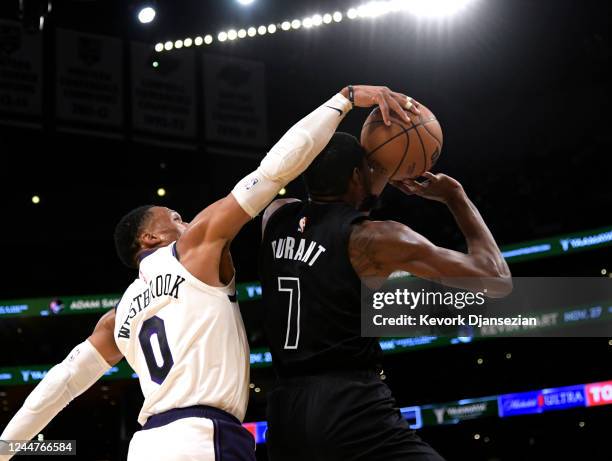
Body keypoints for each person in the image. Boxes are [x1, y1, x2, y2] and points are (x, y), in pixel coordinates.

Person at [0, 86, 415, 461]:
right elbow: (274, 172)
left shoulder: (117, 318)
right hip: (204, 439)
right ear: (148, 237)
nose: (186, 223)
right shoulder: (192, 251)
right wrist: (343, 99)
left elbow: (64, 382)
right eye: (176, 217)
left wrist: (5, 447)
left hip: (145, 447)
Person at [260, 132, 512, 460]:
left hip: (284, 412)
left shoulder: (275, 216)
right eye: (368, 168)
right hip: (349, 406)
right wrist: (455, 197)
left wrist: (371, 170)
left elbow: (325, 212)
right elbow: (495, 278)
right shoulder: (374, 239)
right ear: (355, 176)